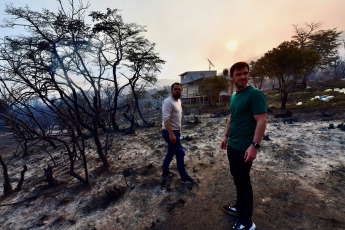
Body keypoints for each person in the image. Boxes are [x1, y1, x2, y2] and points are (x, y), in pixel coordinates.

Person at [220, 62, 267, 230]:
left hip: (245, 148)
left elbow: (261, 119)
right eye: (238, 74)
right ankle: (239, 207)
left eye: (245, 73)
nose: (242, 77)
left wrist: (254, 145)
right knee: (237, 178)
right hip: (233, 145)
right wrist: (226, 136)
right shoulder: (234, 96)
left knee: (243, 182)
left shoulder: (255, 94)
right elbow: (232, 116)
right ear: (232, 77)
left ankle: (247, 222)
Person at [161, 82, 195, 184]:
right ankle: (184, 177)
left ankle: (165, 171)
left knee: (171, 152)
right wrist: (171, 134)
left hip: (176, 132)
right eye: (175, 89)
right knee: (180, 153)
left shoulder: (178, 101)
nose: (178, 91)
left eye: (179, 89)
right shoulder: (168, 102)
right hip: (169, 132)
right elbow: (166, 119)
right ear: (171, 91)